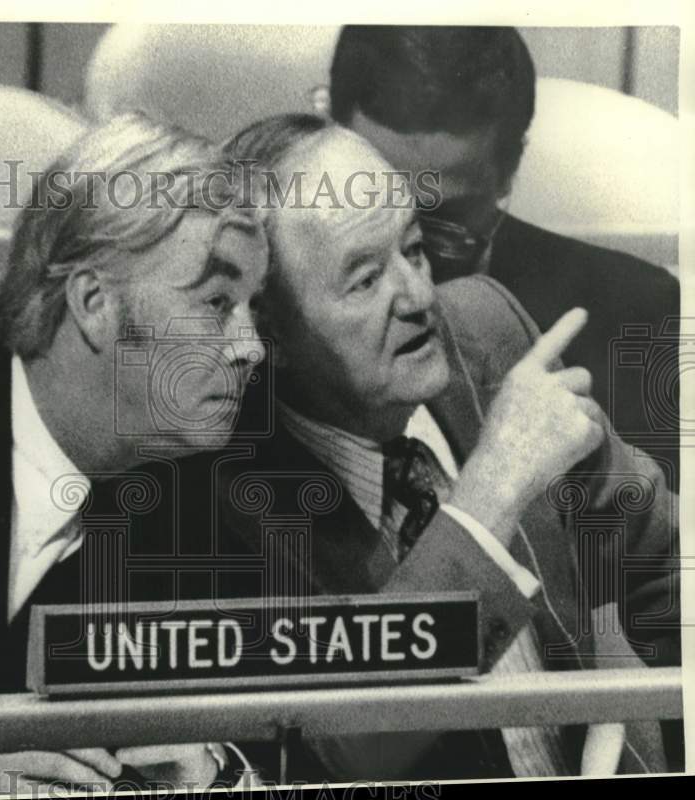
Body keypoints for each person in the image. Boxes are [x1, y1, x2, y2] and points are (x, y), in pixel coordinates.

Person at [206, 115, 679, 780]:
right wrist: (491, 491)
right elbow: (340, 750)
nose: (421, 296)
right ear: (269, 329)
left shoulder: (483, 328)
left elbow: (663, 557)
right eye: (366, 280)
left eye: (416, 248)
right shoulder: (226, 498)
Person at [0, 113, 269, 796]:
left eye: (252, 308)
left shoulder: (217, 492)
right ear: (94, 302)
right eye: (217, 302)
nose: (251, 347)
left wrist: (215, 774)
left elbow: (265, 741)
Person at [323, 25, 680, 490]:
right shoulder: (254, 311)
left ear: (510, 171)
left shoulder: (636, 312)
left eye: (439, 227)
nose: (413, 282)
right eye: (368, 201)